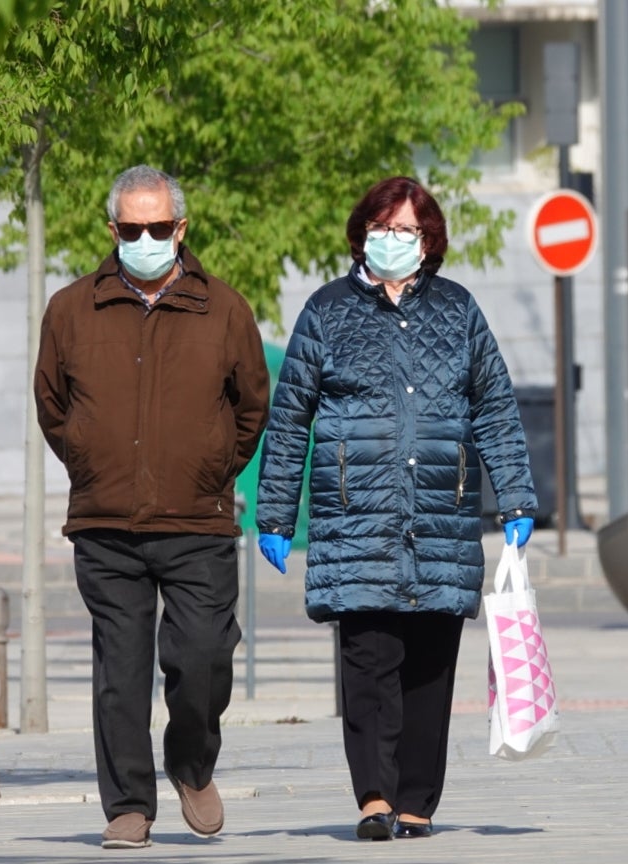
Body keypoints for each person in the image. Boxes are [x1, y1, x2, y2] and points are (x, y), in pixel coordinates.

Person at [254, 175, 536, 841]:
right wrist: (273, 514)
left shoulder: (458, 311)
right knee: (367, 664)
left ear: (428, 240)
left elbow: (494, 408)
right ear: (360, 236)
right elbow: (290, 419)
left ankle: (417, 802)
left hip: (440, 514)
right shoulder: (326, 312)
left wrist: (517, 498)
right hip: (357, 519)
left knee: (430, 670)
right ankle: (374, 798)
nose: (392, 242)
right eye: (381, 230)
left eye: (405, 231)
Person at [34, 164, 269, 849]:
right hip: (105, 523)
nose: (145, 238)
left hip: (196, 521)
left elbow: (252, 406)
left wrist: (212, 470)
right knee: (121, 673)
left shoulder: (224, 309)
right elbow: (52, 405)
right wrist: (84, 459)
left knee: (201, 659)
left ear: (180, 228)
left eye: (157, 227)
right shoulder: (71, 308)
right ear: (112, 230)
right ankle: (128, 806)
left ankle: (192, 766)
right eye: (132, 228)